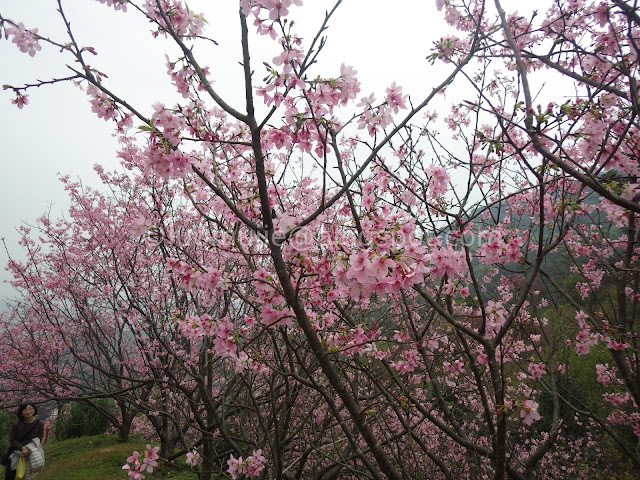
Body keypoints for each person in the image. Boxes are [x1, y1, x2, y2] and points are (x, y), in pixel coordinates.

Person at [5, 403, 44, 480]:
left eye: (30, 409)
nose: (28, 411)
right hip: (16, 451)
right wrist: (22, 448)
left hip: (31, 451)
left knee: (27, 474)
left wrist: (29, 448)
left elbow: (38, 439)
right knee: (11, 474)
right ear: (21, 412)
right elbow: (12, 440)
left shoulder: (39, 423)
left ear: (34, 409)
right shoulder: (16, 424)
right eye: (25, 410)